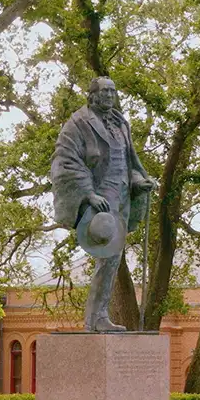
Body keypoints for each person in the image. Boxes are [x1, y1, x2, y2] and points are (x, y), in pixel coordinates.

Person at [51, 77, 155, 331]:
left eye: (113, 91)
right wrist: (87, 193)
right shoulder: (78, 123)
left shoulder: (121, 123)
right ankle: (96, 318)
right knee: (108, 256)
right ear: (93, 95)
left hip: (122, 195)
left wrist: (138, 180)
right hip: (100, 198)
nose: (110, 95)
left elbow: (128, 160)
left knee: (113, 257)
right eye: (105, 91)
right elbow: (64, 160)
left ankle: (97, 317)